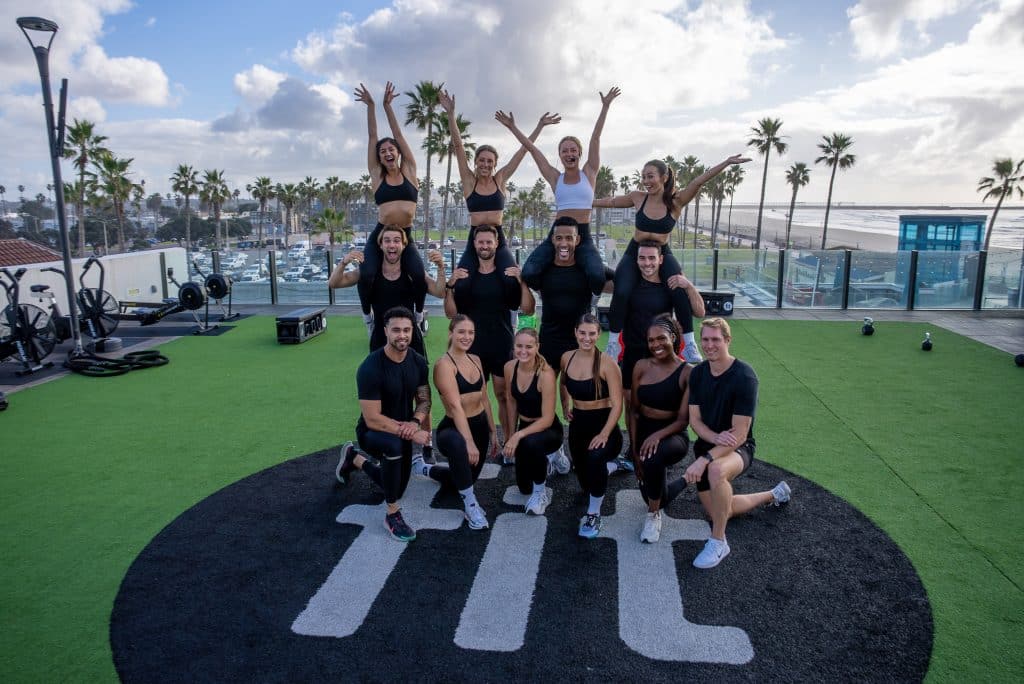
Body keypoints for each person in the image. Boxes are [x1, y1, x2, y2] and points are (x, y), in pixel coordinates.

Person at [594, 155, 749, 362]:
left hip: (662, 252)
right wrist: (585, 202)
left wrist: (726, 163)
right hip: (635, 251)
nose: (646, 181)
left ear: (664, 177)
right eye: (643, 177)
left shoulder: (676, 201)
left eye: (651, 176)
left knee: (678, 288)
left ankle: (690, 343)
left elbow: (698, 181)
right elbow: (611, 202)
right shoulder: (638, 197)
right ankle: (613, 343)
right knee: (621, 290)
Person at [676, 317, 791, 568]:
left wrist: (705, 460)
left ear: (727, 340)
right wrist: (713, 438)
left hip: (738, 448)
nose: (709, 345)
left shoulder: (745, 376)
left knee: (716, 470)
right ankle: (773, 494)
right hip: (710, 444)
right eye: (705, 339)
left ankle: (719, 542)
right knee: (720, 511)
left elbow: (739, 434)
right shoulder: (697, 374)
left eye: (715, 339)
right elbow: (695, 420)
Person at [495, 86, 620, 296]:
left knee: (597, 278)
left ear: (579, 153)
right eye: (565, 151)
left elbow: (595, 138)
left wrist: (605, 107)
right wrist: (512, 127)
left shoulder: (589, 173)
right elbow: (533, 150)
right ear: (560, 156)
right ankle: (557, 282)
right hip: (558, 233)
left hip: (583, 234)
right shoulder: (555, 178)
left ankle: (593, 269)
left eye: (573, 150)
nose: (569, 153)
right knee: (530, 273)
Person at [335, 307, 433, 542]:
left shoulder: (418, 362)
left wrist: (416, 422)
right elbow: (373, 418)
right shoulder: (371, 367)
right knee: (393, 449)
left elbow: (424, 400)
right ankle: (392, 513)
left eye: (407, 330)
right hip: (373, 433)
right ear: (386, 331)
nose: (402, 335)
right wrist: (410, 432)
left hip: (403, 430)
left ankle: (353, 458)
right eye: (396, 330)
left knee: (397, 487)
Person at [438, 90, 559, 272]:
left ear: (494, 164)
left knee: (512, 276)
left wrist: (540, 126)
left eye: (489, 161)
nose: (485, 164)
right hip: (475, 238)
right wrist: (450, 114)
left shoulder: (500, 179)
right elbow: (458, 146)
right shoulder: (470, 181)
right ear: (476, 162)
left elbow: (523, 151)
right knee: (461, 280)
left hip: (498, 239)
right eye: (482, 160)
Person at [443, 224, 535, 453]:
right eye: (480, 242)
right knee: (469, 398)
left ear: (496, 244)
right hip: (472, 347)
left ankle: (509, 443)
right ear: (474, 244)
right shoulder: (464, 276)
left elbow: (529, 309)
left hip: (501, 343)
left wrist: (522, 280)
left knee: (504, 396)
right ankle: (472, 442)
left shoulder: (507, 276)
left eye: (488, 242)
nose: (484, 246)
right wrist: (449, 286)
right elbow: (450, 314)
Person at [353, 81, 427, 333]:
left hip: (404, 234)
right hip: (381, 234)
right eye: (382, 151)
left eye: (390, 149)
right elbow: (373, 136)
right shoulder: (377, 175)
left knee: (417, 273)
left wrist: (388, 107)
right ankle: (368, 318)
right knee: (366, 273)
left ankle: (418, 315)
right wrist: (371, 107)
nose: (386, 152)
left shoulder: (410, 171)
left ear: (397, 153)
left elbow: (399, 135)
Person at [413, 315, 497, 530]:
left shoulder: (476, 360)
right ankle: (471, 507)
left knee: (462, 478)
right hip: (453, 431)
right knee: (462, 460)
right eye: (461, 332)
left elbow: (484, 397)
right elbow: (456, 407)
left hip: (478, 426)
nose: (466, 337)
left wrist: (493, 431)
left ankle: (424, 469)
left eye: (471, 332)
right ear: (451, 333)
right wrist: (468, 442)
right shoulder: (444, 365)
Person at [533, 216, 598, 476]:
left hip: (578, 343)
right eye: (559, 237)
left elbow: (620, 283)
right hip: (548, 340)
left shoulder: (587, 270)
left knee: (584, 401)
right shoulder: (544, 269)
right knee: (540, 401)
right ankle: (553, 451)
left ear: (577, 240)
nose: (563, 242)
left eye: (568, 238)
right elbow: (524, 282)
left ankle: (586, 452)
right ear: (552, 240)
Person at [559, 314, 630, 539]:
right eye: (582, 333)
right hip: (578, 425)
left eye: (592, 333)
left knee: (595, 458)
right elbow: (563, 383)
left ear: (599, 334)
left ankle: (593, 513)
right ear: (575, 333)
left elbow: (618, 405)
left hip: (604, 427)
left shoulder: (608, 364)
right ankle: (611, 467)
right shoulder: (566, 358)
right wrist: (564, 405)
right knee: (585, 483)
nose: (587, 338)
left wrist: (604, 434)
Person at [328, 225, 446, 357]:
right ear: (381, 245)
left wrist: (441, 267)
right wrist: (343, 262)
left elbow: (440, 292)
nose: (392, 245)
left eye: (396, 241)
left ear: (403, 245)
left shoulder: (412, 273)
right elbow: (334, 283)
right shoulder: (370, 273)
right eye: (387, 240)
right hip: (380, 336)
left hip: (409, 337)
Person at [630, 317, 693, 544]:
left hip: (673, 435)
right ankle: (686, 480)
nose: (656, 344)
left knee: (652, 457)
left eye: (661, 338)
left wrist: (656, 436)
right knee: (655, 494)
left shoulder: (687, 372)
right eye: (651, 340)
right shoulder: (641, 366)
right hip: (644, 432)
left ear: (673, 338)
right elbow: (634, 412)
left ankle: (653, 516)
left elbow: (683, 420)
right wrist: (634, 450)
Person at [619, 242, 705, 397]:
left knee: (663, 400)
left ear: (661, 259)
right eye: (642, 258)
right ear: (636, 260)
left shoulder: (671, 285)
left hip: (661, 351)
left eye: (652, 258)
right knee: (630, 401)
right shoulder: (629, 283)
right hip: (633, 352)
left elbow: (700, 312)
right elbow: (602, 284)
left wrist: (688, 285)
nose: (647, 263)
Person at [503, 327, 564, 515]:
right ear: (513, 347)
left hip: (549, 429)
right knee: (523, 488)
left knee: (531, 442)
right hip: (525, 426)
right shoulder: (509, 367)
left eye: (529, 346)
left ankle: (541, 492)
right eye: (519, 346)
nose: (523, 351)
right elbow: (511, 402)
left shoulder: (545, 374)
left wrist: (518, 436)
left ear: (537, 346)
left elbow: (547, 419)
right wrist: (512, 433)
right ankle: (548, 460)